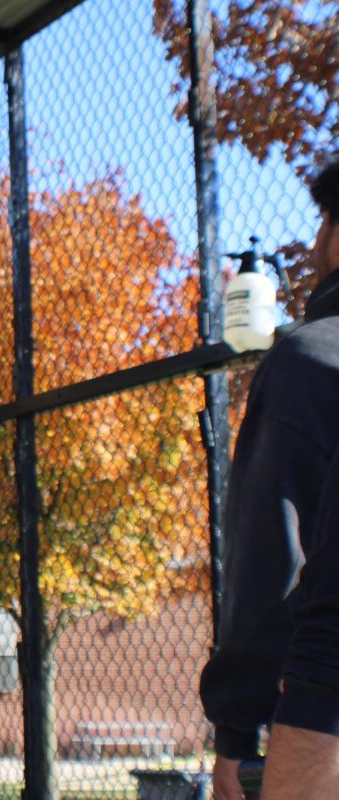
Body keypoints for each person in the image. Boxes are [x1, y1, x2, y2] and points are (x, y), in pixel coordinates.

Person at [200, 157, 339, 800]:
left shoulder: (310, 359)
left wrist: (237, 734)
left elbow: (269, 557)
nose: (312, 248)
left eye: (321, 226)